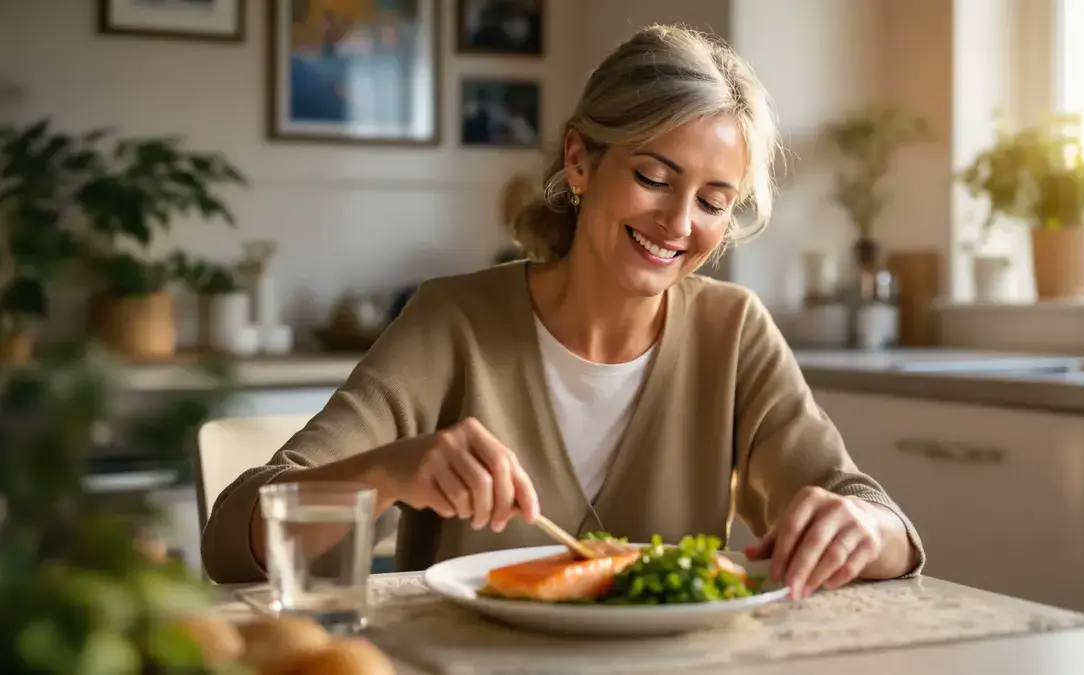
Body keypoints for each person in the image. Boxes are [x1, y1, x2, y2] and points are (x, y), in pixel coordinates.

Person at [201, 24, 925, 599]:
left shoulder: (732, 331)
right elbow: (234, 540)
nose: (678, 222)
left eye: (713, 201)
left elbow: (876, 519)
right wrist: (392, 468)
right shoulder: (452, 321)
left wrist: (863, 525)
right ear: (579, 161)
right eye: (653, 177)